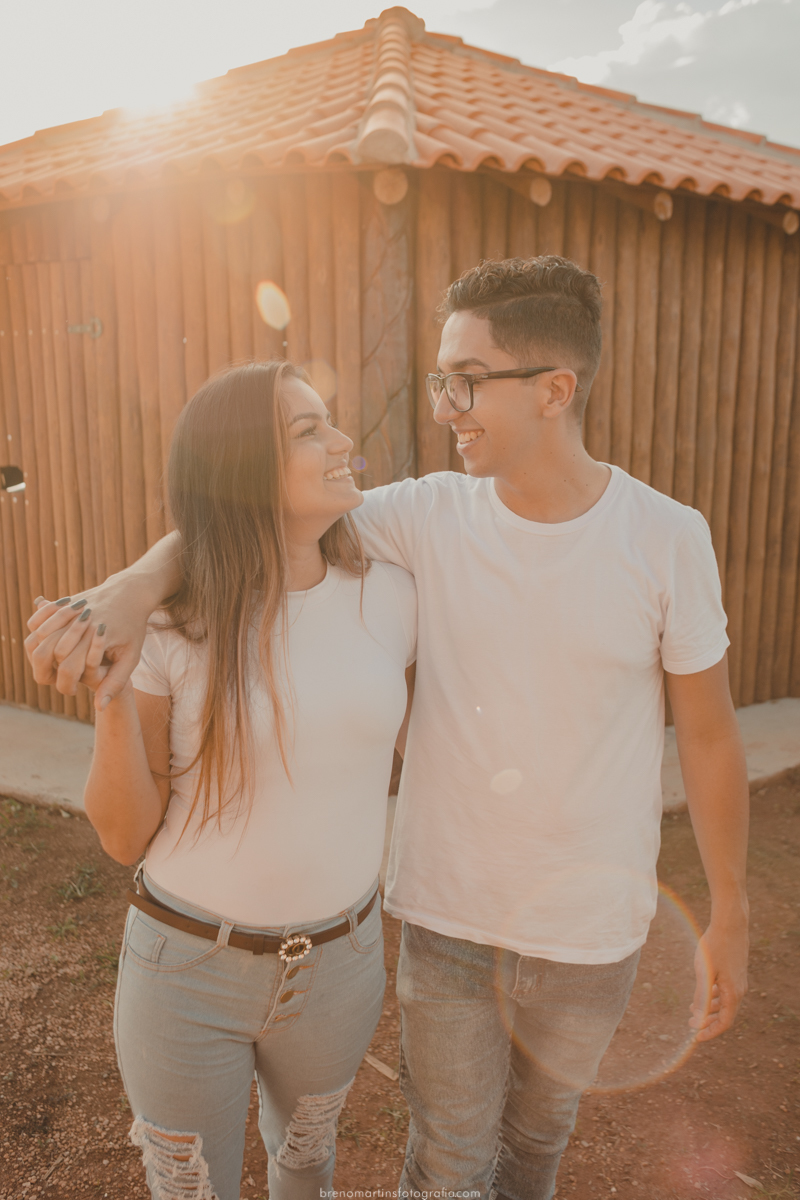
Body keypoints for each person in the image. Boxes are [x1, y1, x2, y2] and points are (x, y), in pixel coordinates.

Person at [27, 256, 749, 1200]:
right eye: (441, 376)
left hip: (590, 929)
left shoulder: (664, 537)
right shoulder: (422, 520)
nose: (441, 403)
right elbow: (235, 507)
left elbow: (708, 736)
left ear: (554, 390)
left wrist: (730, 909)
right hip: (444, 918)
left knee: (537, 1151)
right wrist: (130, 589)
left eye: (464, 380)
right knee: (446, 1165)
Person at [55, 360, 416, 1200]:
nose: (341, 442)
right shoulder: (174, 625)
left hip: (341, 962)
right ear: (240, 469)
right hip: (186, 970)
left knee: (307, 1170)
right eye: (307, 430)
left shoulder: (392, 593)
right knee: (193, 1191)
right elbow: (121, 837)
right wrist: (111, 702)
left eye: (331, 421)